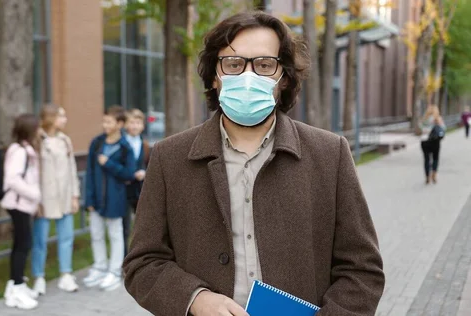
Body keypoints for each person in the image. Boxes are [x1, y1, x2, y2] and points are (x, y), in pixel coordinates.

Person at [123, 11, 385, 316]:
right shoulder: (170, 157)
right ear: (214, 76)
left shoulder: (329, 154)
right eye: (233, 64)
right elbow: (142, 263)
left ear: (284, 77)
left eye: (264, 65)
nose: (248, 77)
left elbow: (362, 271)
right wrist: (194, 298)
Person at [83, 105, 137, 291]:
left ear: (119, 124)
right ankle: (99, 266)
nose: (104, 124)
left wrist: (109, 164)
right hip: (96, 198)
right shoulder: (96, 143)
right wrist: (88, 200)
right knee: (96, 234)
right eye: (104, 121)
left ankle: (114, 271)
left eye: (109, 121)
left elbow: (129, 174)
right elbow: (89, 172)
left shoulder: (125, 147)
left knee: (115, 235)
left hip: (116, 199)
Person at [31, 104, 81, 295]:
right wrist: (35, 200)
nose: (65, 120)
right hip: (43, 199)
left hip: (65, 196)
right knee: (40, 240)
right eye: (61, 116)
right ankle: (39, 277)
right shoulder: (37, 140)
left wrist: (75, 195)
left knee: (66, 237)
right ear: (51, 118)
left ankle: (66, 275)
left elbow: (72, 169)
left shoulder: (65, 140)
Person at [1, 114, 41, 310]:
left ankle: (15, 284)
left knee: (21, 244)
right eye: (37, 127)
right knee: (23, 245)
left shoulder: (25, 149)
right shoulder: (20, 151)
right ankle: (16, 289)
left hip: (23, 204)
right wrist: (35, 194)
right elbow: (12, 179)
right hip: (19, 204)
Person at [123, 109, 150, 256]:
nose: (134, 126)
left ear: (142, 125)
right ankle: (124, 257)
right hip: (124, 188)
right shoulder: (122, 143)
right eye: (131, 122)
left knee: (140, 225)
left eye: (137, 123)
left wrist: (144, 173)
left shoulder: (144, 145)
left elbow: (148, 164)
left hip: (139, 189)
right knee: (124, 226)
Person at [420, 105, 446, 184]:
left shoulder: (424, 119)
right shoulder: (438, 119)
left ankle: (427, 176)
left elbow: (420, 128)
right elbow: (443, 129)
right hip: (435, 141)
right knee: (435, 158)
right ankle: (434, 174)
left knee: (426, 159)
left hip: (425, 141)